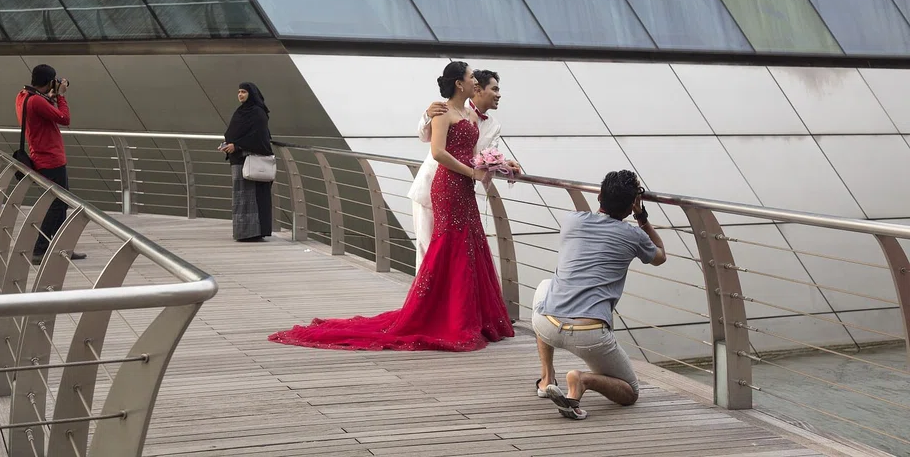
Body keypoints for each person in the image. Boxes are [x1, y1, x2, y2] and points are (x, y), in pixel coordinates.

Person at [268, 62, 514, 351]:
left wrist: (501, 164)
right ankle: (441, 315)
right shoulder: (441, 111)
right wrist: (471, 171)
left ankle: (470, 315)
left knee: (469, 245)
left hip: (465, 188)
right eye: (472, 77)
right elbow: (437, 151)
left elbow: (480, 153)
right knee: (448, 245)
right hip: (447, 185)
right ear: (460, 84)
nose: (476, 81)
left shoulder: (471, 115)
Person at [533, 170, 666, 420]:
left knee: (544, 287)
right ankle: (582, 380)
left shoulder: (571, 220)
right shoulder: (634, 235)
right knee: (630, 393)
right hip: (589, 334)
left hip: (547, 324)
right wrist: (641, 217)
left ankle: (547, 378)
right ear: (630, 205)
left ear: (599, 196)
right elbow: (660, 256)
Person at [407, 69, 519, 271]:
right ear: (479, 89)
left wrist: (503, 165)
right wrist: (427, 114)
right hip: (433, 185)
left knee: (461, 251)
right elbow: (425, 137)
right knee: (428, 251)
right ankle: (427, 292)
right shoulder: (448, 108)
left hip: (462, 189)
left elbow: (482, 157)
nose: (499, 94)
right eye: (494, 89)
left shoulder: (494, 126)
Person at [15, 65, 87, 265]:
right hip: (51, 160)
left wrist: (50, 96)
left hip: (41, 157)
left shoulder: (23, 96)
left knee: (59, 205)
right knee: (57, 206)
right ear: (49, 82)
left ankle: (61, 248)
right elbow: (64, 118)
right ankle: (40, 249)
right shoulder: (36, 101)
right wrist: (61, 96)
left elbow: (42, 115)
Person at [220, 83, 274, 242]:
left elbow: (259, 137)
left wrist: (237, 145)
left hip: (250, 160)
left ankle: (254, 233)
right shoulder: (241, 111)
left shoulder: (257, 112)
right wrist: (227, 145)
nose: (240, 95)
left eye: (243, 92)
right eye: (238, 92)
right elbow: (233, 133)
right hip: (238, 160)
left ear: (251, 93)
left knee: (252, 198)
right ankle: (243, 233)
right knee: (241, 198)